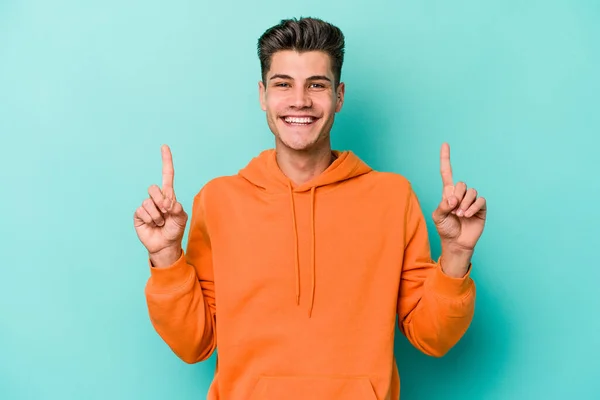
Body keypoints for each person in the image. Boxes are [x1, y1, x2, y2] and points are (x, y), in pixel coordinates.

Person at [134, 17, 487, 400]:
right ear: (262, 95)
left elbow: (432, 336)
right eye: (282, 84)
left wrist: (456, 255)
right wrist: (166, 255)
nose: (299, 100)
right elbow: (193, 344)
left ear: (339, 96)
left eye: (316, 85)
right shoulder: (219, 200)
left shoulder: (392, 197)